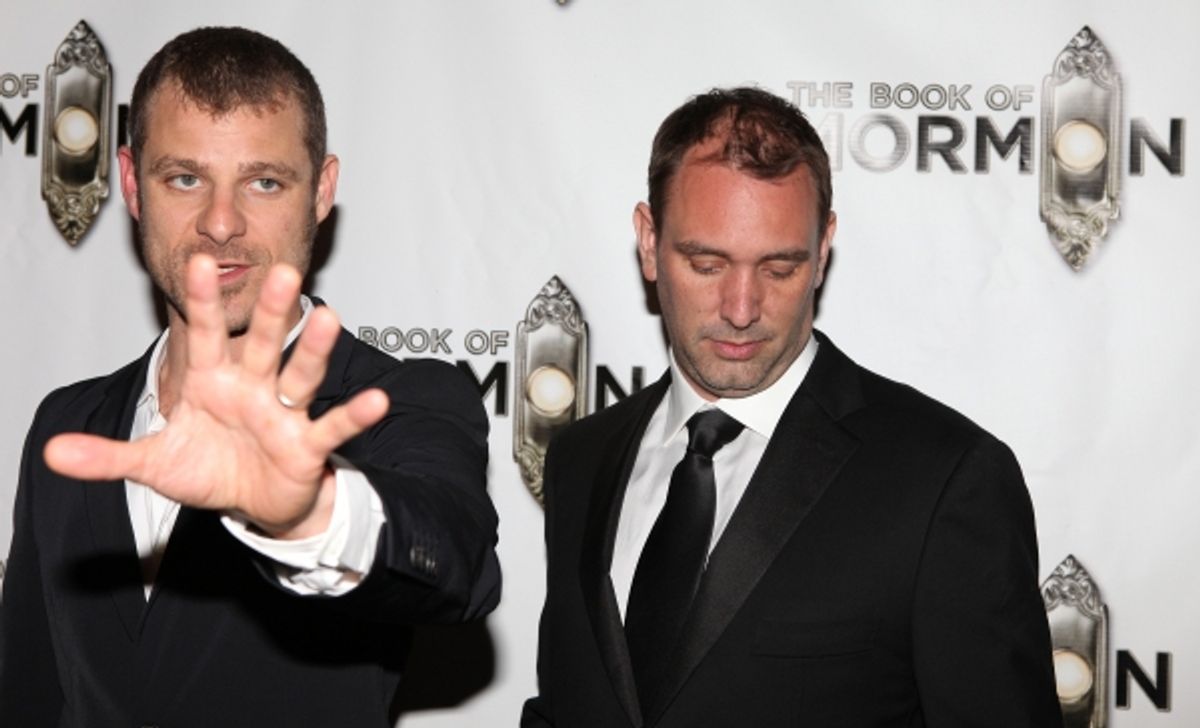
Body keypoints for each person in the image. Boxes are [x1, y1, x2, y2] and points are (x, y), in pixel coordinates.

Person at [0, 27, 500, 728]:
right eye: (185, 178)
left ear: (321, 191)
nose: (222, 222)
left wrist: (307, 512)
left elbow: (453, 560)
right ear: (131, 183)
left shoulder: (396, 400)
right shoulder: (68, 424)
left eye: (264, 182)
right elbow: (29, 692)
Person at [522, 87, 1062, 727]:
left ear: (823, 246)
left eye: (779, 268)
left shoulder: (944, 482)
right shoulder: (582, 459)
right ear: (648, 240)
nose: (742, 308)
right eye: (706, 263)